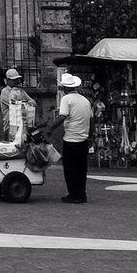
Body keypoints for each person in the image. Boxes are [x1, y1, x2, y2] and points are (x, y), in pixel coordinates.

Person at [45, 72, 93, 203]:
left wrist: (50, 128)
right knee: (81, 169)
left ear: (65, 88)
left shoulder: (66, 99)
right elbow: (91, 119)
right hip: (83, 140)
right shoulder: (85, 100)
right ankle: (81, 194)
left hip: (71, 139)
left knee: (70, 169)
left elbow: (62, 116)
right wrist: (90, 136)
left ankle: (73, 194)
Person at [0, 67, 36, 138]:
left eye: (17, 79)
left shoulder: (21, 91)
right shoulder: (5, 92)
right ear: (8, 81)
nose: (17, 82)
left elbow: (33, 103)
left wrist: (25, 103)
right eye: (14, 80)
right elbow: (15, 104)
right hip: (10, 126)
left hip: (23, 126)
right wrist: (25, 103)